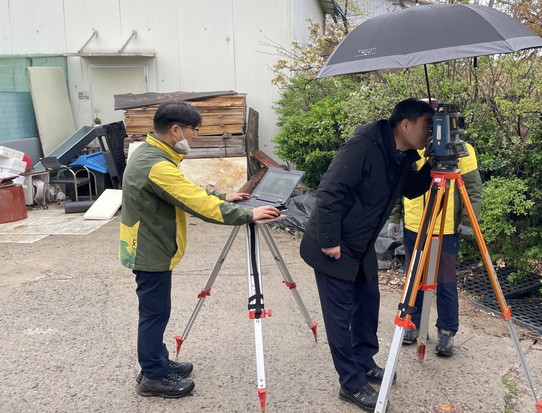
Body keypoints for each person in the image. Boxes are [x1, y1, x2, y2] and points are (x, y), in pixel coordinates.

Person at [119, 101, 279, 399]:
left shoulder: (150, 153)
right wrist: (247, 214)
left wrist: (222, 196)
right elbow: (195, 202)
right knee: (154, 314)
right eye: (193, 130)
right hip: (149, 249)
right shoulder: (156, 164)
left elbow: (185, 190)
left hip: (148, 244)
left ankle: (158, 361)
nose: (194, 136)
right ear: (175, 129)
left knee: (156, 311)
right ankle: (152, 376)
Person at [300, 98, 435, 412]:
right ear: (405, 124)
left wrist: (432, 166)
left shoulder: (401, 154)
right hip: (334, 244)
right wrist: (330, 240)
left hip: (362, 244)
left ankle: (364, 360)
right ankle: (350, 382)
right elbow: (329, 191)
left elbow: (411, 189)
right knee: (340, 316)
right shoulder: (362, 146)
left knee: (367, 303)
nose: (429, 133)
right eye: (427, 126)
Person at [387, 123, 482, 358]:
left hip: (445, 228)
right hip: (414, 225)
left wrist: (469, 221)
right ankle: (413, 323)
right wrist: (395, 217)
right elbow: (401, 185)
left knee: (446, 281)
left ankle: (447, 331)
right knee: (414, 278)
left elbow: (472, 188)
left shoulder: (463, 150)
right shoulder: (414, 147)